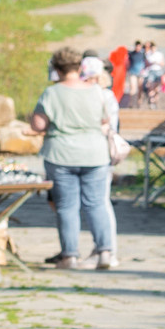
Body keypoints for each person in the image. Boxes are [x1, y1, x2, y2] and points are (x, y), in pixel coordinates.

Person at [29, 46, 120, 270]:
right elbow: (105, 120)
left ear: (57, 69)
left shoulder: (51, 93)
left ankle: (69, 256)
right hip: (95, 154)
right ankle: (104, 252)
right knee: (96, 203)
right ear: (79, 67)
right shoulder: (96, 91)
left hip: (61, 155)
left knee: (66, 206)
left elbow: (38, 125)